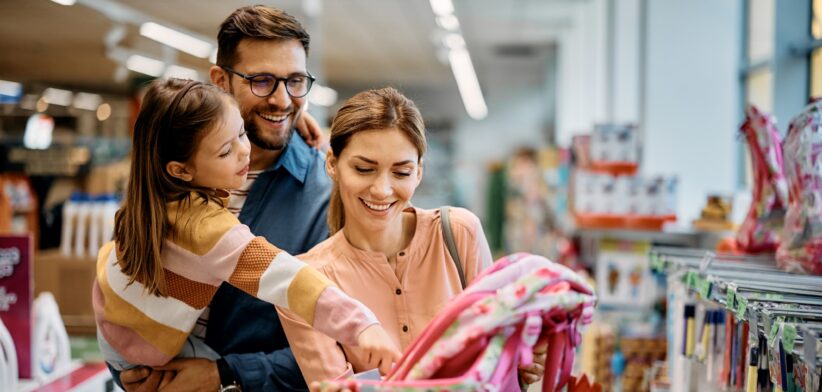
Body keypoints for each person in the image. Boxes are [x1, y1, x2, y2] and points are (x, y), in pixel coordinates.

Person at [94, 78, 401, 389]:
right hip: (141, 353)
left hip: (114, 323)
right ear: (181, 169)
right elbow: (289, 278)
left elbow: (189, 118)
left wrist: (296, 122)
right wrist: (362, 325)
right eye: (227, 150)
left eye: (241, 132)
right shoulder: (204, 229)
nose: (245, 151)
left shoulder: (150, 194)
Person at [114, 6, 333, 391]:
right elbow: (130, 278)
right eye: (262, 81)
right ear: (220, 80)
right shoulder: (174, 170)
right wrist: (128, 368)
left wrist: (226, 374)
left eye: (295, 81)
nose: (283, 101)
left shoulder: (324, 196)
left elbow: (338, 346)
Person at [276, 87, 548, 390]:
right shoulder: (306, 283)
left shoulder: (459, 234)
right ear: (332, 164)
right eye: (364, 169)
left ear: (419, 172)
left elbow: (498, 354)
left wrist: (520, 360)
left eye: (401, 172)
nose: (382, 189)